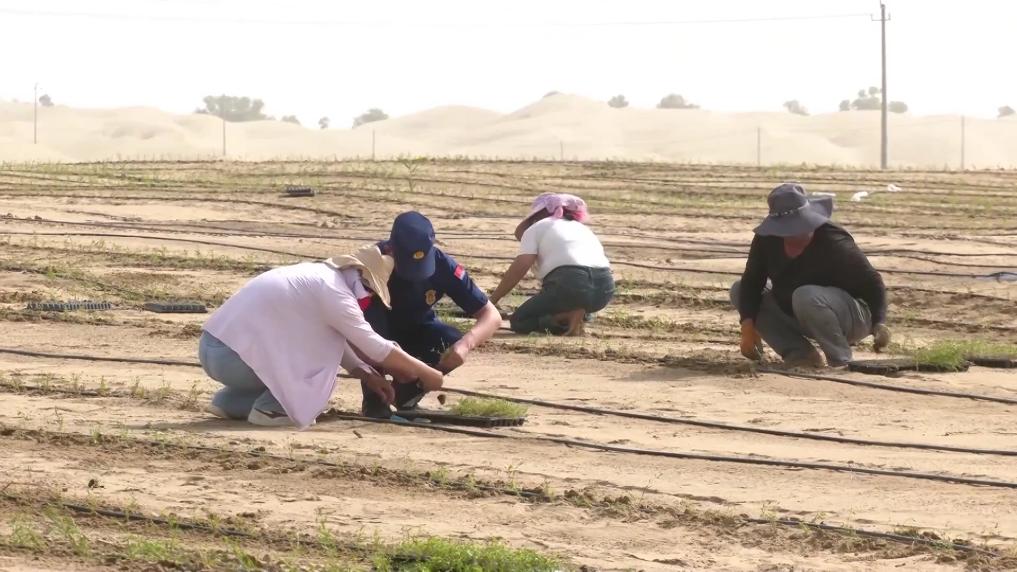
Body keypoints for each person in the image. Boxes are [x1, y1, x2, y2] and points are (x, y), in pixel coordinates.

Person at [199, 244, 444, 428]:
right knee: (319, 369)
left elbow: (337, 339)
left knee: (314, 343)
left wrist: (367, 374)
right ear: (365, 281)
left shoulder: (318, 276)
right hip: (235, 359)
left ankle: (229, 402)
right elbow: (373, 346)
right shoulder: (336, 294)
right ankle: (272, 411)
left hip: (213, 348)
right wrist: (426, 373)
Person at [732, 182, 891, 368]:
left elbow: (873, 282)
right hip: (800, 311)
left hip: (851, 315)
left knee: (805, 295)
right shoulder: (767, 240)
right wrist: (747, 326)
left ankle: (840, 360)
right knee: (738, 290)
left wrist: (879, 323)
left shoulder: (833, 241)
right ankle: (801, 356)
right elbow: (752, 283)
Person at [359, 211, 502, 418]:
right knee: (372, 333)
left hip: (417, 330)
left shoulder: (443, 266)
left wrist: (465, 345)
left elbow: (492, 315)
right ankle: (375, 398)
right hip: (375, 335)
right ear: (391, 249)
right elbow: (353, 327)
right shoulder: (370, 264)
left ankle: (406, 393)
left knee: (450, 339)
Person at [489, 193, 614, 336]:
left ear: (538, 215)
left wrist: (493, 300)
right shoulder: (582, 229)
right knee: (575, 299)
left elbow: (519, 268)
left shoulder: (537, 227)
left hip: (571, 283)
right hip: (604, 291)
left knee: (520, 321)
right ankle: (581, 315)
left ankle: (566, 316)